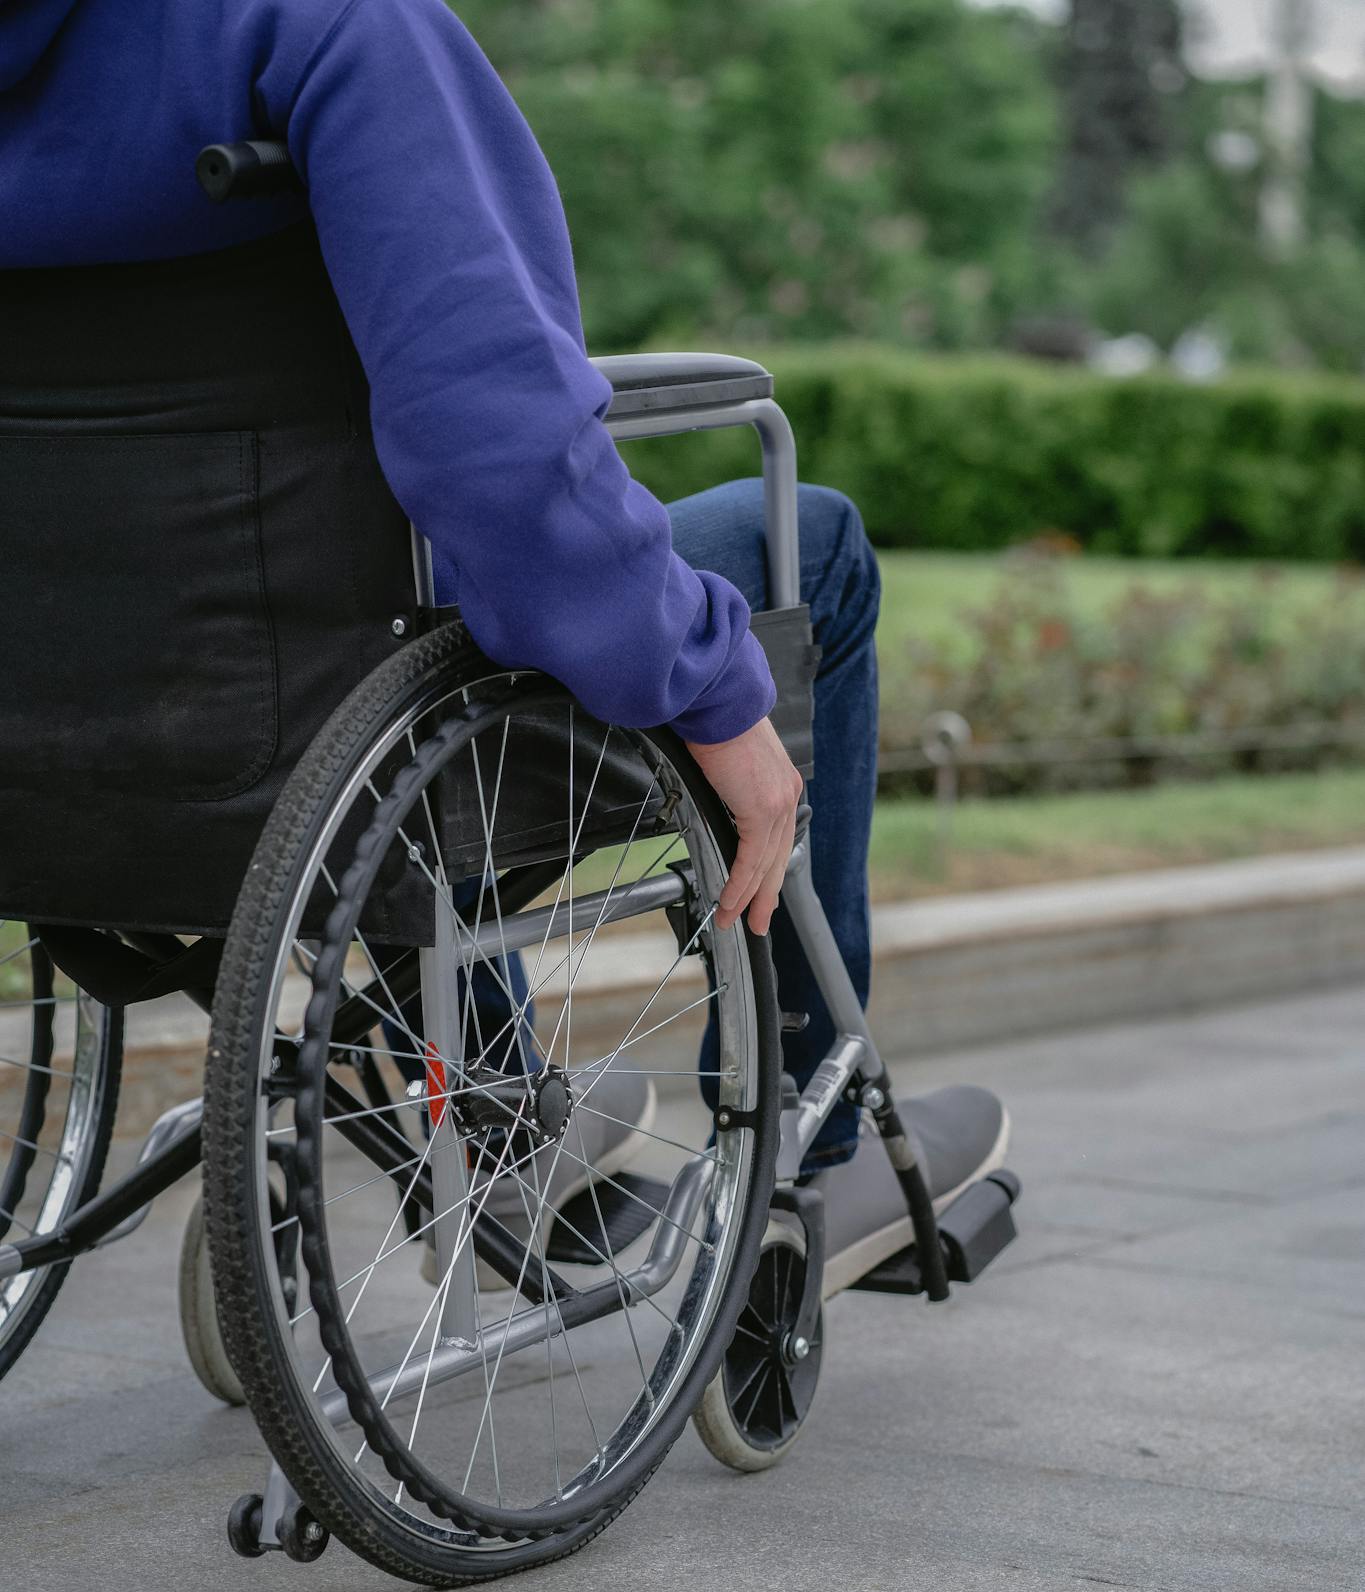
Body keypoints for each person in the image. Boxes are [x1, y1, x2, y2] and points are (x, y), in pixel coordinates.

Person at [0, 0, 1006, 1275]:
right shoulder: (322, 30)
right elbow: (506, 465)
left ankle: (499, 1102)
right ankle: (802, 1150)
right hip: (317, 737)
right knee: (811, 541)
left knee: (413, 619)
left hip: (48, 755)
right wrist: (713, 684)